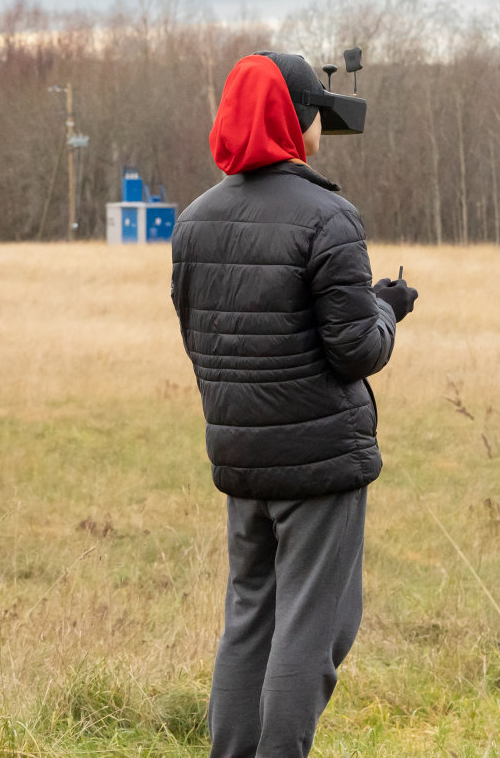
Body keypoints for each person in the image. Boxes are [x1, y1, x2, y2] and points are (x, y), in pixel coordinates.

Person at [170, 51, 417, 757]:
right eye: (315, 114)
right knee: (315, 629)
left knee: (250, 617)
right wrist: (388, 309)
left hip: (241, 454)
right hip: (318, 462)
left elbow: (201, 336)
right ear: (295, 118)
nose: (319, 128)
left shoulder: (193, 222)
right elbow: (356, 350)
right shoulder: (329, 216)